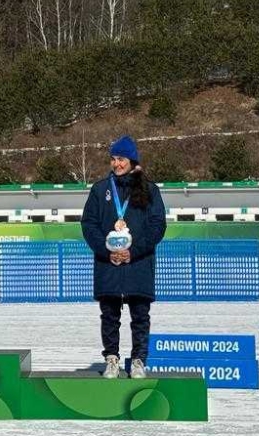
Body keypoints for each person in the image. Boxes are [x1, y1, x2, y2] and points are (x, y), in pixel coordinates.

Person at [81, 135, 166, 379]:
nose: (116, 164)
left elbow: (157, 226)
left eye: (121, 159)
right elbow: (88, 225)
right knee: (109, 315)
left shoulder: (149, 190)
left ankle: (139, 359)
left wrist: (133, 251)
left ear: (132, 161)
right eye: (113, 159)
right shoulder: (100, 190)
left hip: (138, 263)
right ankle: (111, 358)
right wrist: (107, 252)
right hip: (109, 264)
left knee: (140, 316)